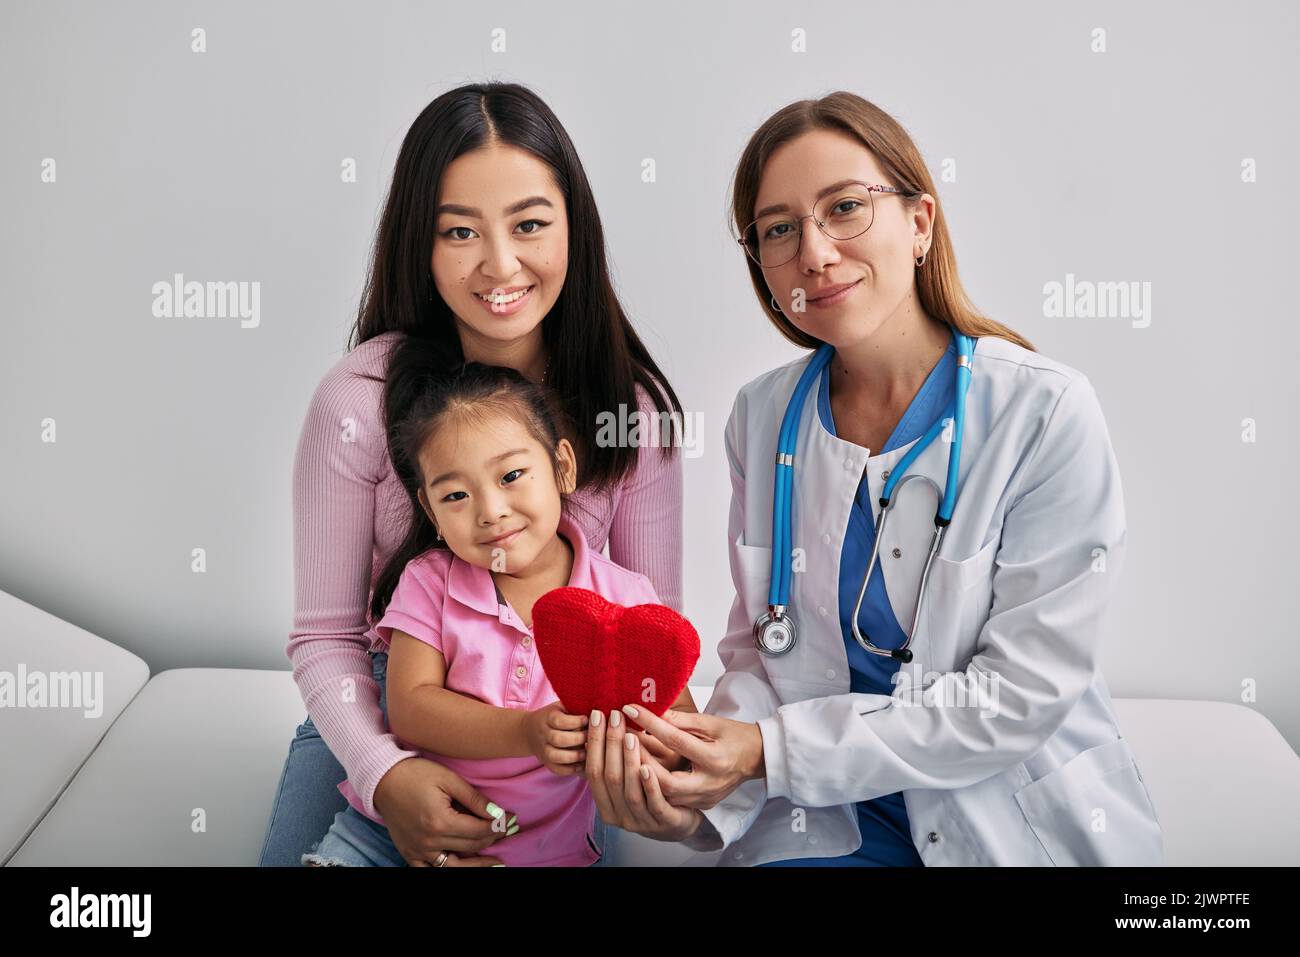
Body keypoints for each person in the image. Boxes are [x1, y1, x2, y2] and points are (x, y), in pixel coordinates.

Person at [582, 91, 1164, 867]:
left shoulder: (1043, 413)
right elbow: (762, 652)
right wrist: (693, 778)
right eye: (779, 230)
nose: (814, 253)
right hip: (824, 823)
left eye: (845, 208)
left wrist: (767, 749)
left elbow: (1014, 698)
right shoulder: (762, 419)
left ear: (920, 222)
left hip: (1001, 825)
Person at [259, 82, 686, 867]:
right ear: (420, 243)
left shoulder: (633, 415)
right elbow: (325, 635)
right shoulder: (356, 401)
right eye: (460, 231)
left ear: (573, 231)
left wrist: (647, 772)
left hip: (563, 748)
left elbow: (652, 638)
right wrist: (386, 774)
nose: (499, 264)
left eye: (529, 224)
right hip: (390, 706)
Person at [302, 361, 694, 866]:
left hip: (545, 853)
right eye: (456, 495)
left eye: (511, 475)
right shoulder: (429, 582)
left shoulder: (626, 596)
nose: (490, 510)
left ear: (563, 469)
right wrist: (525, 732)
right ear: (431, 513)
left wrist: (647, 751)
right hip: (391, 836)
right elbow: (411, 708)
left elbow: (676, 720)